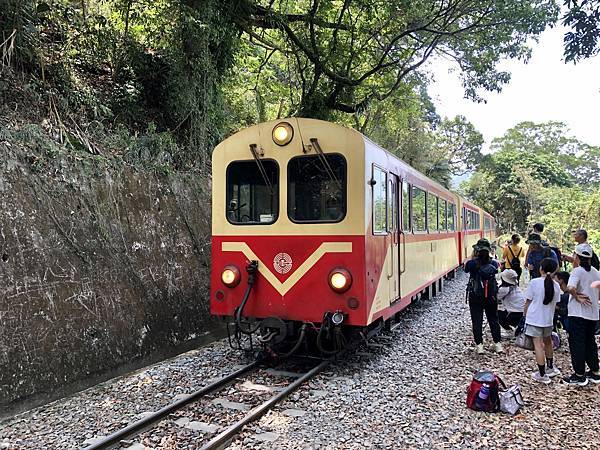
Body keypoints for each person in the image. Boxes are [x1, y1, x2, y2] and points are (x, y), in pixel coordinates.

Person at [562, 243, 600, 386]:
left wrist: (577, 297)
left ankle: (579, 375)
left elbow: (570, 287)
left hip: (578, 313)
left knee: (577, 343)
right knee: (590, 341)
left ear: (576, 256)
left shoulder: (577, 271)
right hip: (593, 313)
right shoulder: (596, 272)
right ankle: (595, 372)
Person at [523, 258, 561, 384]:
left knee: (538, 346)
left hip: (534, 318)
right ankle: (550, 368)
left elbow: (528, 301)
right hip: (548, 319)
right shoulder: (556, 285)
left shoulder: (534, 282)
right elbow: (556, 303)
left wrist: (524, 315)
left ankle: (542, 374)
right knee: (548, 343)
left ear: (541, 269)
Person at [464, 238, 503, 354]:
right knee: (493, 319)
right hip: (491, 296)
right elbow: (497, 269)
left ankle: (479, 346)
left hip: (475, 295)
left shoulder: (471, 264)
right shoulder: (494, 263)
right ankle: (498, 344)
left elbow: (466, 269)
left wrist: (474, 257)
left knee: (477, 320)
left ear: (477, 251)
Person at [497, 269, 524, 335]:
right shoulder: (516, 287)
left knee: (497, 314)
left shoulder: (504, 289)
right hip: (522, 312)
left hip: (514, 314)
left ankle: (509, 330)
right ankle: (517, 329)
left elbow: (496, 297)